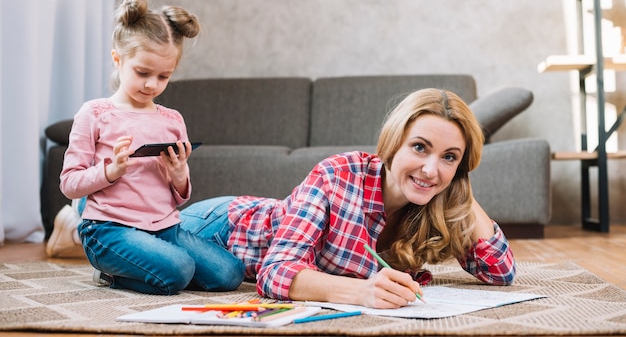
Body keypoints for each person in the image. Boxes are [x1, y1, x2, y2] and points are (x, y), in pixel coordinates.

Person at [178, 88, 516, 309]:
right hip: (220, 228)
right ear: (393, 142)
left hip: (233, 239)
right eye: (419, 147)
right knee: (190, 267)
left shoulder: (438, 195)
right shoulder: (339, 175)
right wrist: (360, 293)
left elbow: (501, 272)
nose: (430, 169)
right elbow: (275, 273)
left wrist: (457, 186)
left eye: (449, 156)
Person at [53, 0, 244, 295]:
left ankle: (156, 266)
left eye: (163, 76)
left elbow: (179, 198)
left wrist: (179, 173)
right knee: (179, 270)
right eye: (142, 73)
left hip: (165, 228)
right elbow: (69, 183)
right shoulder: (95, 113)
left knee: (230, 274)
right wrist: (111, 171)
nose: (151, 84)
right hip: (109, 231)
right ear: (118, 59)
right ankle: (109, 274)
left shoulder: (172, 119)